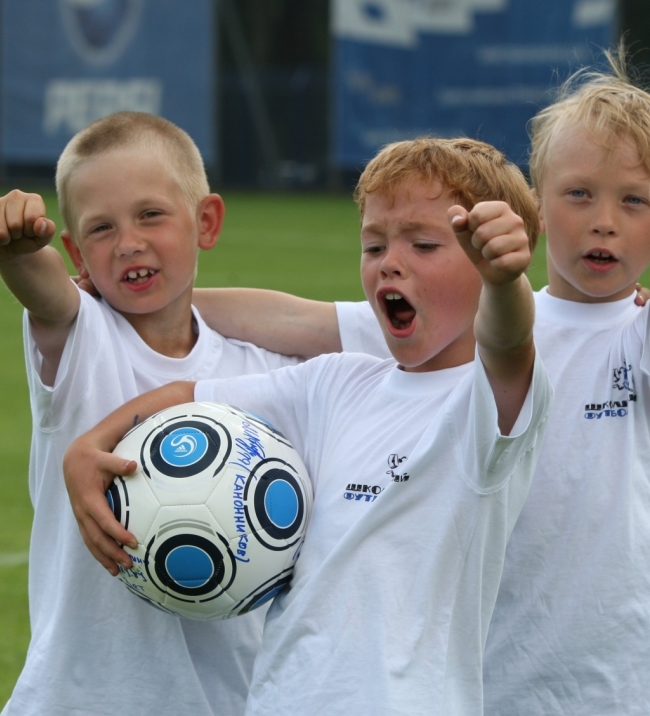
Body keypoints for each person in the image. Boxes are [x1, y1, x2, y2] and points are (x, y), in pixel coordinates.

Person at [188, 51, 650, 715]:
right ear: (536, 202)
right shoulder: (470, 317)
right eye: (579, 193)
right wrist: (163, 304)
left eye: (634, 200)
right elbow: (300, 322)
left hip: (629, 675)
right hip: (496, 671)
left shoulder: (647, 336)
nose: (603, 220)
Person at [63, 137, 553, 715]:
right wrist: (85, 450)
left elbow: (508, 340)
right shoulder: (337, 383)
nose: (390, 261)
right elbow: (182, 396)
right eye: (374, 245)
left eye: (423, 244)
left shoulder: (489, 406)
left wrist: (503, 280)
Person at [0, 111, 312, 716]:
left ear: (206, 222)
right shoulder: (83, 338)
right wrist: (16, 251)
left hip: (228, 700)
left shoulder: (263, 366)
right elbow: (45, 291)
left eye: (151, 214)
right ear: (75, 250)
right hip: (80, 700)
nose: (128, 242)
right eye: (100, 229)